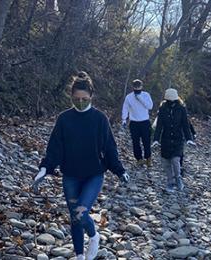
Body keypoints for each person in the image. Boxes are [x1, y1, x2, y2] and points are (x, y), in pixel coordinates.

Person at [32, 71, 130, 260]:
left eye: (84, 98)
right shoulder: (64, 119)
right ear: (71, 97)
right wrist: (44, 169)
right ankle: (79, 256)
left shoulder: (100, 119)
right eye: (76, 98)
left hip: (94, 174)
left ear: (91, 96)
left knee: (80, 213)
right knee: (74, 218)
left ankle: (94, 237)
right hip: (70, 175)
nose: (80, 102)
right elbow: (54, 148)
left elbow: (110, 148)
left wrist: (120, 170)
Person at [152, 88, 195, 192]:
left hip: (178, 139)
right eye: (169, 100)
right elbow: (159, 126)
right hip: (166, 139)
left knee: (176, 160)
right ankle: (170, 182)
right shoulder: (162, 109)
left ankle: (178, 178)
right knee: (166, 162)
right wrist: (156, 139)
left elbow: (186, 125)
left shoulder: (181, 109)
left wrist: (189, 138)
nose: (171, 102)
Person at [122, 79, 154, 167]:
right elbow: (125, 108)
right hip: (134, 122)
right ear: (133, 87)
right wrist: (124, 119)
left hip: (145, 122)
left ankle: (148, 158)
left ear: (142, 87)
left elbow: (150, 106)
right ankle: (139, 159)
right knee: (135, 142)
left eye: (138, 87)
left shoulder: (146, 95)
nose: (137, 89)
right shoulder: (129, 97)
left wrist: (140, 98)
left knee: (146, 141)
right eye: (135, 87)